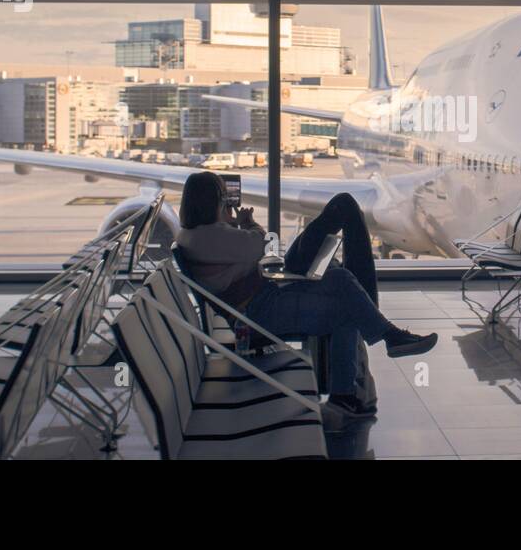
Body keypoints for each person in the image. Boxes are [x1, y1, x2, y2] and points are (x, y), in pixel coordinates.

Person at [174, 171, 436, 419]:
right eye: (223, 198)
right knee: (346, 301)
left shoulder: (196, 235)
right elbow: (263, 243)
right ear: (214, 202)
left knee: (340, 276)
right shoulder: (212, 236)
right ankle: (375, 349)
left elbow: (248, 252)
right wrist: (247, 223)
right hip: (260, 311)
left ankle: (380, 344)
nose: (227, 202)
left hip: (264, 299)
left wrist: (232, 225)